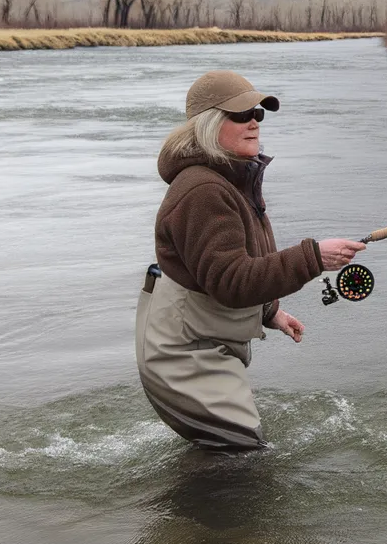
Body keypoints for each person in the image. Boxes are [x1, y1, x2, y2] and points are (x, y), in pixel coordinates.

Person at [135, 69, 365, 451]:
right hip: (185, 357)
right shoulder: (204, 191)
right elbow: (230, 282)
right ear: (209, 125)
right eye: (241, 115)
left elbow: (222, 268)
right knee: (242, 466)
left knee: (231, 461)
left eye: (258, 113)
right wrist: (314, 257)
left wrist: (268, 313)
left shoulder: (226, 181)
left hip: (200, 344)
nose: (255, 123)